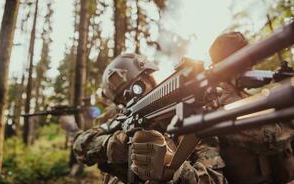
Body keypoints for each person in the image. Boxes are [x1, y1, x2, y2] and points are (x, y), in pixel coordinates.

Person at [61, 53, 227, 183]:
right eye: (123, 97)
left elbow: (215, 179)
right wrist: (115, 144)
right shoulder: (117, 120)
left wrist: (174, 171)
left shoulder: (189, 121)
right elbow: (81, 145)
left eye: (138, 86)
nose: (133, 97)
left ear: (152, 80)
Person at [208, 32, 294, 184]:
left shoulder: (240, 92)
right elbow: (269, 138)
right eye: (247, 59)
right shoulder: (220, 99)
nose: (252, 64)